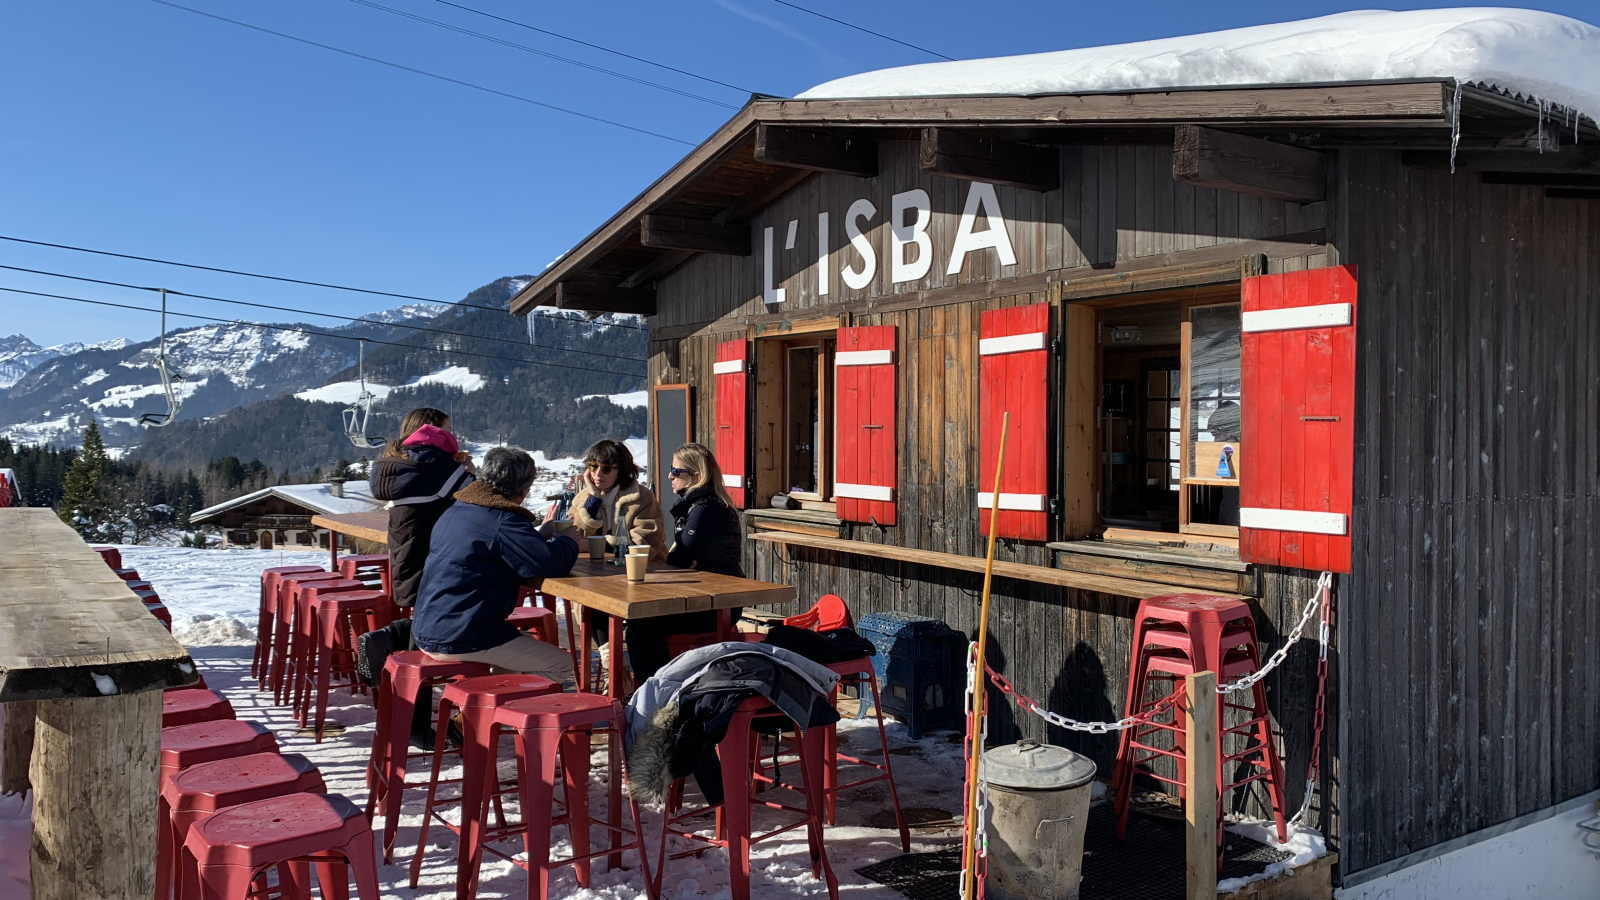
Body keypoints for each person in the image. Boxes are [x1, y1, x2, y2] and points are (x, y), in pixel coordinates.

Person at [411, 447, 583, 684]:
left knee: (517, 652)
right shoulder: (503, 518)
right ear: (522, 489)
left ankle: (473, 719)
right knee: (561, 664)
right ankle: (494, 714)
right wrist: (569, 541)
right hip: (461, 634)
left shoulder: (461, 508)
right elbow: (550, 564)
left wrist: (537, 536)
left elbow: (494, 542)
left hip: (430, 627)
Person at [357, 408, 473, 747]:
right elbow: (479, 502)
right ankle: (416, 726)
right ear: (433, 432)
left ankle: (390, 640)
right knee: (423, 644)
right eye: (449, 430)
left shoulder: (399, 466)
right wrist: (468, 472)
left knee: (423, 633)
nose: (454, 437)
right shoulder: (440, 467)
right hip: (433, 560)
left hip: (406, 557)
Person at [624, 442, 745, 680]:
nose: (670, 475)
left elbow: (679, 558)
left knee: (640, 629)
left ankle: (657, 694)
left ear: (696, 476)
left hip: (716, 604)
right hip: (701, 597)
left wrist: (678, 558)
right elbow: (679, 559)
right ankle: (659, 688)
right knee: (638, 622)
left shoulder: (706, 509)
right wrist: (678, 559)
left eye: (676, 471)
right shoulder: (697, 506)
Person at [569, 440, 668, 688]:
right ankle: (612, 663)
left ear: (621, 470)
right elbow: (574, 534)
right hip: (600, 576)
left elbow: (645, 543)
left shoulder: (641, 498)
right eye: (593, 466)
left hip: (645, 575)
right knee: (588, 602)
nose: (597, 474)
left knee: (638, 624)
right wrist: (592, 501)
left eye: (606, 468)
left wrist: (599, 545)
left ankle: (627, 677)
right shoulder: (584, 497)